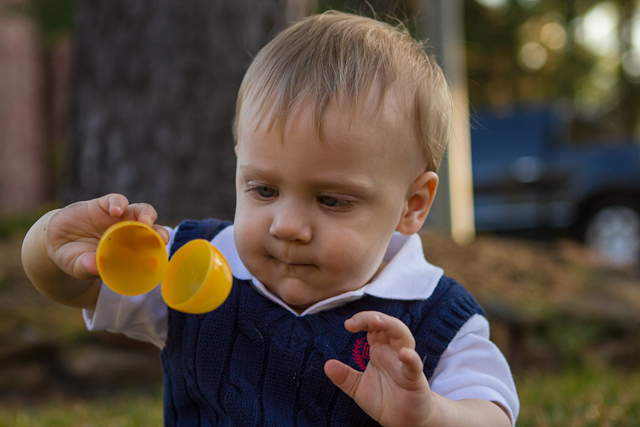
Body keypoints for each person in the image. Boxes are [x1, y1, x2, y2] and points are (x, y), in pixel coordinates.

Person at [22, 11, 518, 427]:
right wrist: (49, 245)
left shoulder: (436, 317)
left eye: (331, 200)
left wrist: (430, 413)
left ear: (412, 205)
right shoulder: (193, 266)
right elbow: (76, 287)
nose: (287, 226)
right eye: (264, 189)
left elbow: (492, 412)